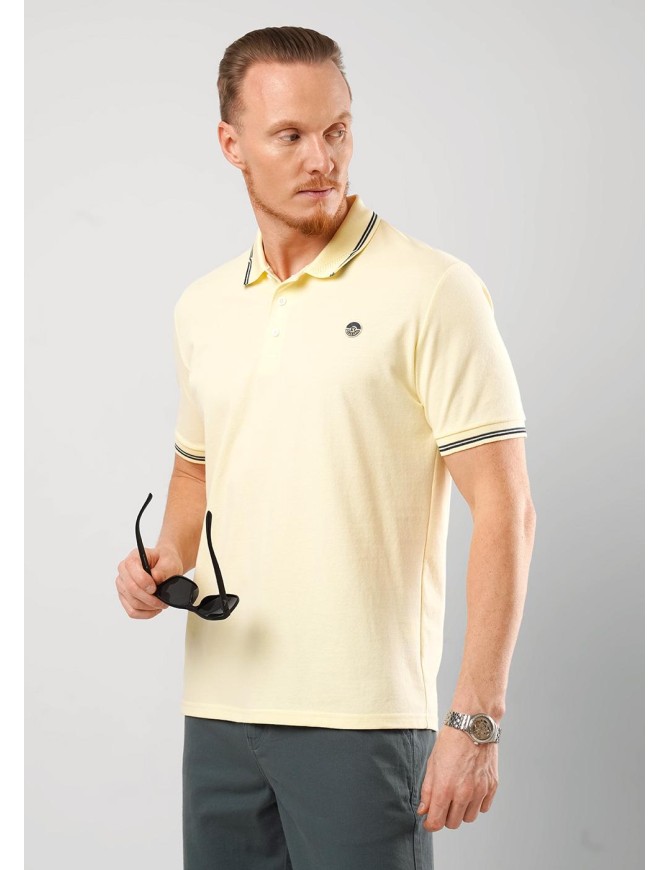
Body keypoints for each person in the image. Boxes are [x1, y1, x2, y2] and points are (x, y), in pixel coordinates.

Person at [115, 25, 536, 870]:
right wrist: (162, 562)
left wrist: (476, 720)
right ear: (232, 144)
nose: (323, 159)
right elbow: (198, 466)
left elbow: (506, 510)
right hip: (220, 710)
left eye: (337, 130)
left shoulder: (434, 290)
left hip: (362, 719)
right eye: (291, 135)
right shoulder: (203, 306)